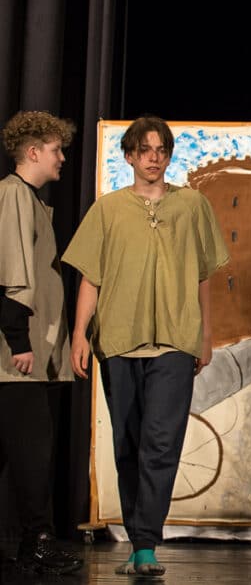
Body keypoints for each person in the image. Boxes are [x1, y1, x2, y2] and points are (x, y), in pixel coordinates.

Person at [63, 115, 229, 577]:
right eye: (145, 150)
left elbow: (203, 275)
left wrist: (205, 334)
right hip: (120, 339)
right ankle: (139, 540)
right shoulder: (108, 209)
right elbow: (91, 276)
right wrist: (79, 333)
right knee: (129, 442)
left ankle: (145, 544)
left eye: (161, 150)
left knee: (161, 441)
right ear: (130, 156)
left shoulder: (192, 204)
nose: (153, 158)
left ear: (169, 156)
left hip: (175, 341)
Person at [0, 111, 83, 575]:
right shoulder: (14, 194)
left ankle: (33, 540)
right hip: (16, 355)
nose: (62, 158)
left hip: (21, 352)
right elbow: (11, 272)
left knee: (16, 447)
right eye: (55, 150)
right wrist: (19, 341)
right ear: (33, 152)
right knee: (33, 450)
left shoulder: (26, 199)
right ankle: (38, 541)